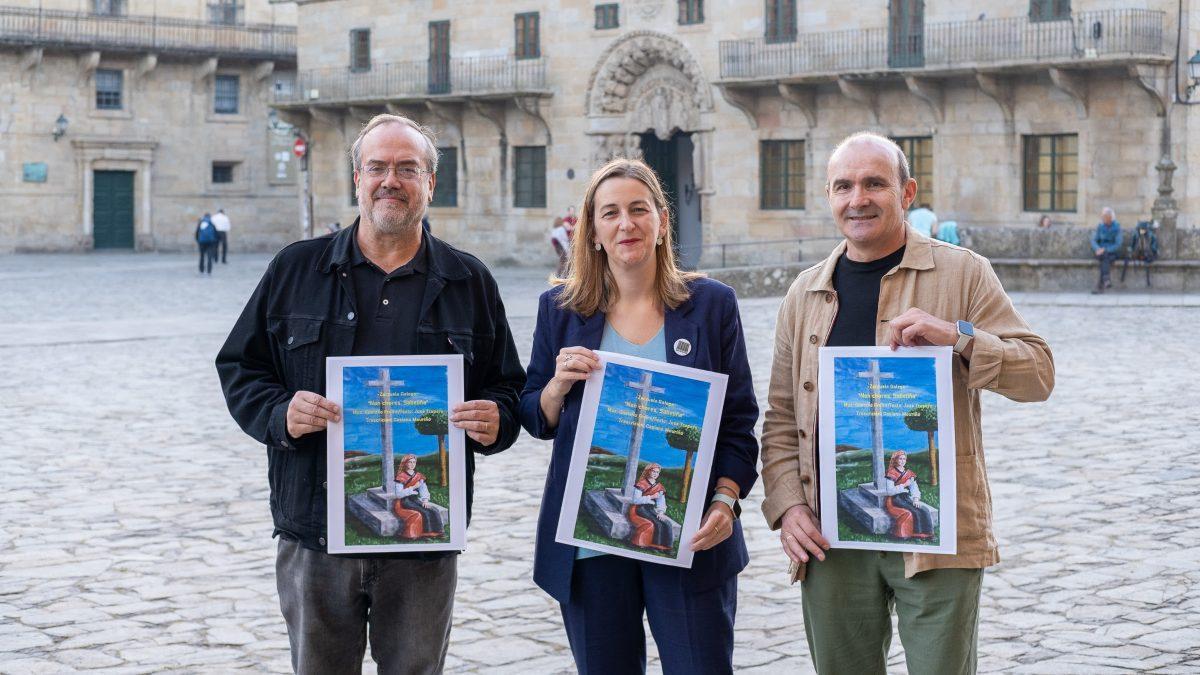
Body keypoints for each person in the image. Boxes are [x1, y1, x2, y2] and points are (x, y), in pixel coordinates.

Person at [215, 113, 526, 674]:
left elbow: (507, 386)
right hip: (314, 533)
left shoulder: (468, 281)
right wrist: (282, 412)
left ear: (431, 182)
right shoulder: (295, 268)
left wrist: (496, 419)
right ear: (356, 178)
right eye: (377, 167)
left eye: (408, 168)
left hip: (422, 549)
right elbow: (241, 367)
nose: (391, 180)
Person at [760, 132, 1054, 675]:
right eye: (843, 186)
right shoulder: (804, 293)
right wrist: (787, 506)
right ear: (829, 196)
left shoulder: (963, 273)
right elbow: (780, 418)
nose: (858, 199)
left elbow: (1038, 374)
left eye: (875, 183)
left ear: (907, 192)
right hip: (830, 534)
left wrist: (959, 337)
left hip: (940, 538)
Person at [519, 158, 760, 674]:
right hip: (590, 544)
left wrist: (724, 503)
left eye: (638, 209)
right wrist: (559, 385)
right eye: (610, 213)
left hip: (689, 536)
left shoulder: (711, 305)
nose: (625, 224)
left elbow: (739, 424)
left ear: (661, 221)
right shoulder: (560, 309)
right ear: (593, 230)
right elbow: (535, 415)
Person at [881, 451, 932, 540]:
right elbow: (890, 491)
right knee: (914, 511)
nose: (902, 461)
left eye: (904, 459)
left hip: (905, 498)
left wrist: (916, 499)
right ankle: (917, 534)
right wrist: (904, 485)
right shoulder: (891, 473)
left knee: (924, 510)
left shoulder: (909, 474)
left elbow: (914, 488)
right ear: (895, 460)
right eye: (900, 459)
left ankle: (928, 534)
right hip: (894, 499)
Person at [392, 454, 444, 539]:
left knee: (434, 510)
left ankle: (438, 532)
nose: (412, 464)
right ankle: (426, 534)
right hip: (404, 501)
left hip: (414, 500)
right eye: (410, 462)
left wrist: (425, 500)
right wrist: (412, 488)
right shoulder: (400, 476)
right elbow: (398, 494)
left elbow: (424, 489)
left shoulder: (419, 476)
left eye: (414, 462)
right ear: (405, 463)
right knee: (423, 512)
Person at [628, 463, 671, 551]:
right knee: (657, 523)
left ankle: (666, 547)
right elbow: (635, 500)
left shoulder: (660, 487)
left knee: (666, 524)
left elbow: (661, 502)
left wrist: (661, 512)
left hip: (650, 509)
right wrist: (651, 497)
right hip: (639, 508)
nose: (655, 474)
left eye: (657, 472)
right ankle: (655, 546)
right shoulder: (641, 484)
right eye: (653, 471)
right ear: (648, 471)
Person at [1090, 207, 1122, 294]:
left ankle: (1100, 286)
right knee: (1105, 258)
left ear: (1111, 218)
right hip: (1101, 252)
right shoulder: (1100, 226)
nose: (1105, 220)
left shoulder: (1117, 227)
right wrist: (1098, 248)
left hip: (1112, 252)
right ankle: (1106, 280)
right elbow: (1093, 240)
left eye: (1107, 218)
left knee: (1105, 258)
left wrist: (1106, 249)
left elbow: (1118, 244)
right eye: (1104, 218)